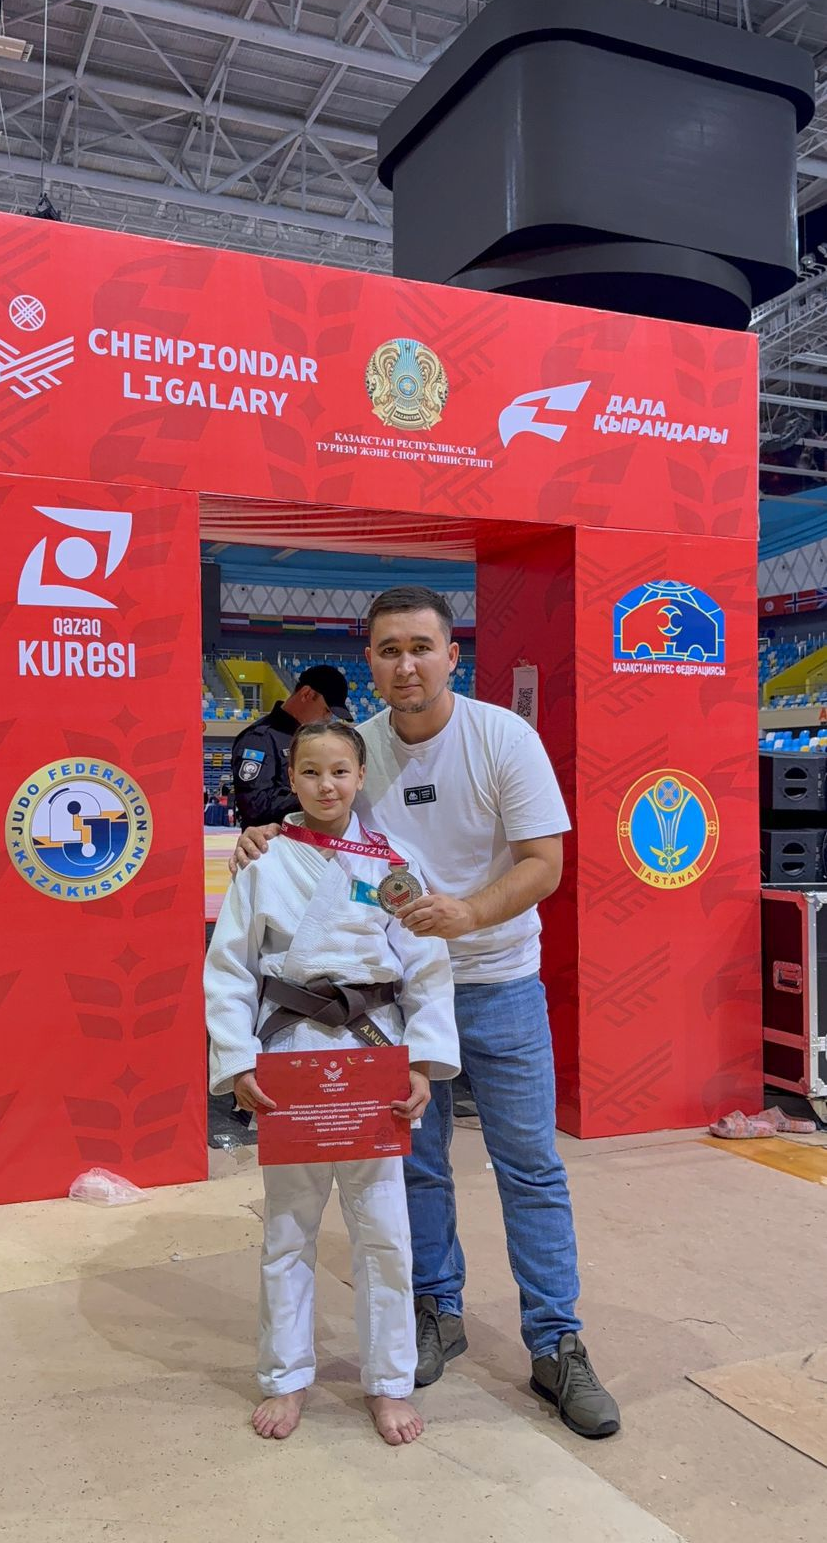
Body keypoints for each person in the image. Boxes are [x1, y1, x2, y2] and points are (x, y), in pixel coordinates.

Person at [233, 586, 621, 1440]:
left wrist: (468, 914)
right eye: (388, 650)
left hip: (500, 980)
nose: (405, 665)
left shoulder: (502, 738)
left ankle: (557, 1341)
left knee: (530, 1166)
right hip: (395, 1000)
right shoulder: (359, 746)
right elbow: (323, 819)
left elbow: (544, 862)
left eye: (420, 647)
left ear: (452, 655)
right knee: (418, 1168)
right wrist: (267, 836)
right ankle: (434, 1311)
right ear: (369, 662)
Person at [205, 719, 459, 1446]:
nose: (326, 786)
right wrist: (239, 1061)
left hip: (372, 1050)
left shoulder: (394, 864)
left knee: (385, 1230)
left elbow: (427, 968)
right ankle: (285, 1375)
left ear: (360, 776)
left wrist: (421, 1061)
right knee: (288, 1227)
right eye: (311, 773)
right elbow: (229, 969)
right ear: (293, 778)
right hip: (292, 1054)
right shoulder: (265, 860)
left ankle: (389, 1382)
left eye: (340, 772)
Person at [231, 665, 352, 830]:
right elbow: (254, 804)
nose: (328, 718)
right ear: (307, 694)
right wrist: (314, 796)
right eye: (326, 710)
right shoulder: (259, 739)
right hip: (271, 841)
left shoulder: (313, 740)